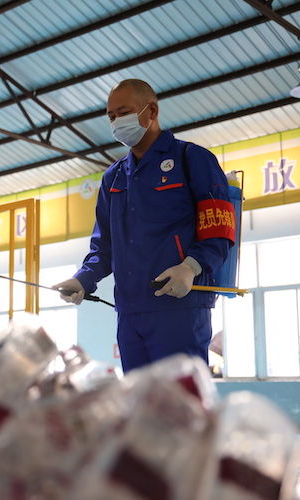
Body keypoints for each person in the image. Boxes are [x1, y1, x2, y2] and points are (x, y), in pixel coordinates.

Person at [53, 79, 236, 373]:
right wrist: (83, 278)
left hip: (179, 306)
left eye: (124, 113)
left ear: (151, 111)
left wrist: (191, 267)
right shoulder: (113, 178)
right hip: (129, 311)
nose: (116, 122)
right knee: (140, 398)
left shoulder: (192, 159)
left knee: (181, 397)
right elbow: (104, 246)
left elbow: (220, 227)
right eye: (111, 116)